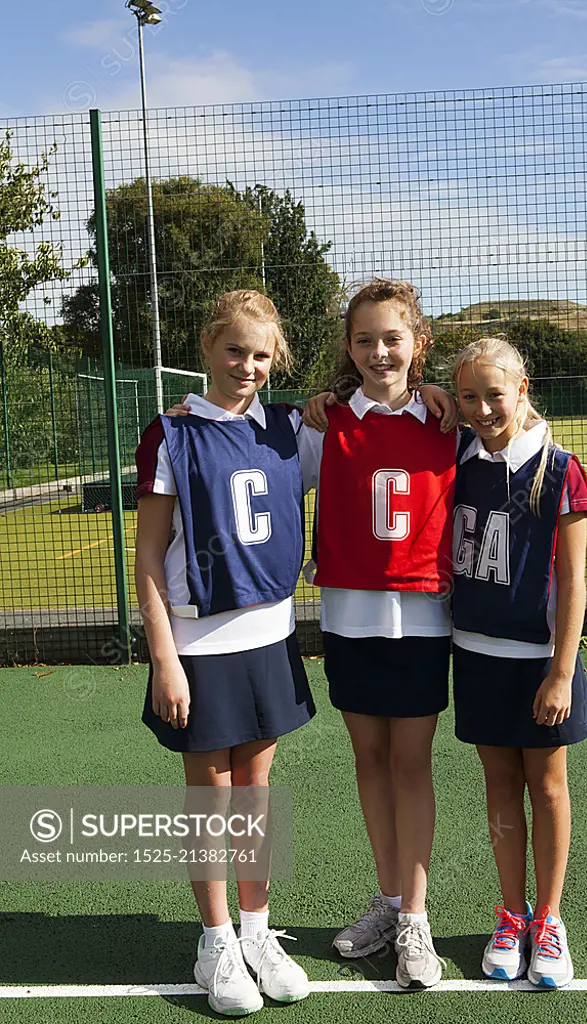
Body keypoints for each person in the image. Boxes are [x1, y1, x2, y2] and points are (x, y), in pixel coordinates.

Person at [135, 290, 314, 1017]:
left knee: (255, 794)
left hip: (269, 635)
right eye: (235, 350)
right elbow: (148, 558)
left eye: (261, 355)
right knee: (210, 797)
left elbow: (372, 405)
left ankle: (258, 933)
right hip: (197, 642)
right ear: (207, 347)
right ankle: (214, 941)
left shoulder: (290, 428)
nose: (247, 365)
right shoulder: (170, 435)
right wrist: (165, 659)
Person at [300, 278, 458, 990]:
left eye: (391, 337)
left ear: (417, 344)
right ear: (347, 347)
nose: (377, 351)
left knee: (409, 763)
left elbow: (510, 418)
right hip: (348, 616)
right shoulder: (324, 421)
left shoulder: (446, 422)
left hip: (421, 615)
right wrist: (184, 415)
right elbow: (252, 448)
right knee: (368, 761)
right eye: (363, 339)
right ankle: (389, 902)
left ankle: (416, 920)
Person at [449, 336, 587, 989]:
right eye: (467, 396)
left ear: (522, 390)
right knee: (500, 786)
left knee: (548, 787)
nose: (481, 408)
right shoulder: (456, 455)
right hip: (477, 656)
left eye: (493, 395)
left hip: (538, 663)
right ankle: (510, 915)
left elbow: (573, 581)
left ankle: (550, 921)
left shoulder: (559, 468)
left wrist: (560, 670)